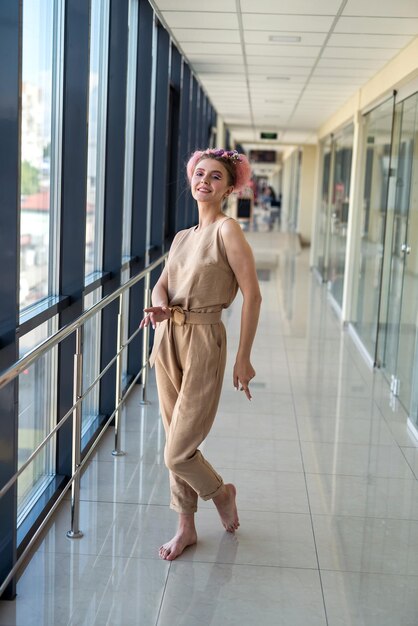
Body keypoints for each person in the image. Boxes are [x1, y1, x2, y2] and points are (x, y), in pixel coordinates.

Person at [140, 148, 262, 561]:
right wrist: (157, 306)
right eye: (198, 174)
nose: (203, 181)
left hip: (205, 339)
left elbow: (253, 296)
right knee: (176, 436)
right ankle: (185, 527)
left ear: (229, 188)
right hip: (168, 336)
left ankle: (220, 493)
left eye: (214, 177)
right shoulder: (181, 237)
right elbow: (162, 284)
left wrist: (243, 357)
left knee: (177, 450)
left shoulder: (227, 231)